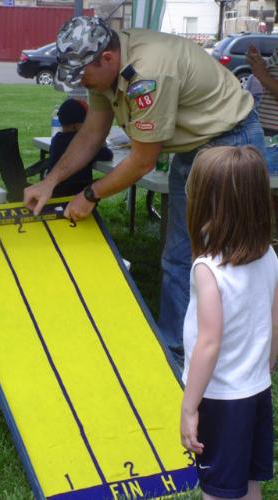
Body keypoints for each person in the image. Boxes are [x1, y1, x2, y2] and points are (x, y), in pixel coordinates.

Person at [23, 16, 266, 365]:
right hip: (192, 145)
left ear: (106, 59)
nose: (81, 83)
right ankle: (176, 348)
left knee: (229, 253)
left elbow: (141, 162)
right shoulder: (105, 64)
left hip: (231, 139)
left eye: (83, 75)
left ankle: (242, 351)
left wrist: (89, 196)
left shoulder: (147, 74)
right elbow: (92, 134)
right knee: (181, 253)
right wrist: (50, 182)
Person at [181, 146, 278, 500]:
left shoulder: (209, 269)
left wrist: (190, 408)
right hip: (256, 390)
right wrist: (266, 363)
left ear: (206, 204)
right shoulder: (268, 254)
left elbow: (209, 343)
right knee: (250, 483)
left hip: (220, 398)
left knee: (219, 490)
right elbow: (274, 314)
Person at [49, 98, 113, 197]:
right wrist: (100, 139)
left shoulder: (56, 140)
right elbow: (107, 155)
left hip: (55, 193)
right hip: (78, 196)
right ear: (76, 126)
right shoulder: (85, 145)